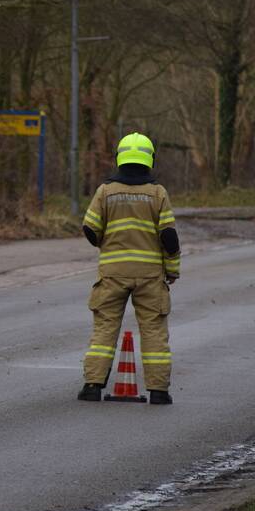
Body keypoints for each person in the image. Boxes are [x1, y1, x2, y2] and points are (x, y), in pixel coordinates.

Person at [77, 133, 181, 405]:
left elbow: (89, 228)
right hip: (149, 275)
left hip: (112, 274)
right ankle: (158, 392)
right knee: (154, 332)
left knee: (104, 329)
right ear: (149, 159)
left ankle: (92, 387)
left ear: (120, 157)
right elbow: (169, 237)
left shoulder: (105, 191)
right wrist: (172, 269)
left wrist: (104, 243)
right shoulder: (158, 193)